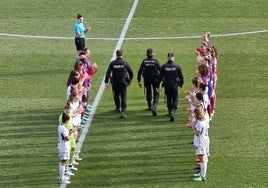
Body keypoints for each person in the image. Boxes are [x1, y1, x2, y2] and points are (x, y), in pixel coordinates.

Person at [104, 50, 133, 118]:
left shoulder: (112, 63)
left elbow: (108, 73)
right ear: (122, 54)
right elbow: (130, 72)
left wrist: (106, 82)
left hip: (115, 82)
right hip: (123, 82)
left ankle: (117, 107)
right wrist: (130, 80)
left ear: (116, 55)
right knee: (123, 96)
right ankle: (123, 111)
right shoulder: (125, 63)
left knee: (116, 95)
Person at [157, 53, 184, 121]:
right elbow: (181, 76)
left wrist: (157, 86)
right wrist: (181, 84)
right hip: (175, 84)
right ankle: (172, 111)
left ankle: (170, 112)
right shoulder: (177, 66)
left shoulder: (164, 66)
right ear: (173, 58)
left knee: (169, 98)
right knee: (175, 98)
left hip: (167, 84)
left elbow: (160, 77)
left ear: (167, 58)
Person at [187, 107, 209, 182]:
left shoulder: (200, 123)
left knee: (202, 159)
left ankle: (203, 176)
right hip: (203, 141)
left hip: (201, 142)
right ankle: (201, 174)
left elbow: (197, 134)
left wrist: (192, 127)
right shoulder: (204, 119)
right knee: (202, 158)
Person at [137, 48, 161, 115]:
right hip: (155, 79)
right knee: (156, 92)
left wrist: (139, 81)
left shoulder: (144, 61)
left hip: (147, 79)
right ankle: (154, 106)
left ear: (146, 54)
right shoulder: (156, 61)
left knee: (148, 91)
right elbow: (161, 70)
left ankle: (149, 106)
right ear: (153, 54)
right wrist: (162, 79)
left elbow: (139, 71)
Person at [58, 112, 74, 184]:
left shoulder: (60, 126)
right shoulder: (64, 129)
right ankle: (62, 179)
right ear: (67, 120)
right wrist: (72, 133)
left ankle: (61, 177)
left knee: (62, 162)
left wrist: (69, 132)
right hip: (64, 147)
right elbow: (67, 138)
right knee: (63, 162)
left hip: (62, 146)